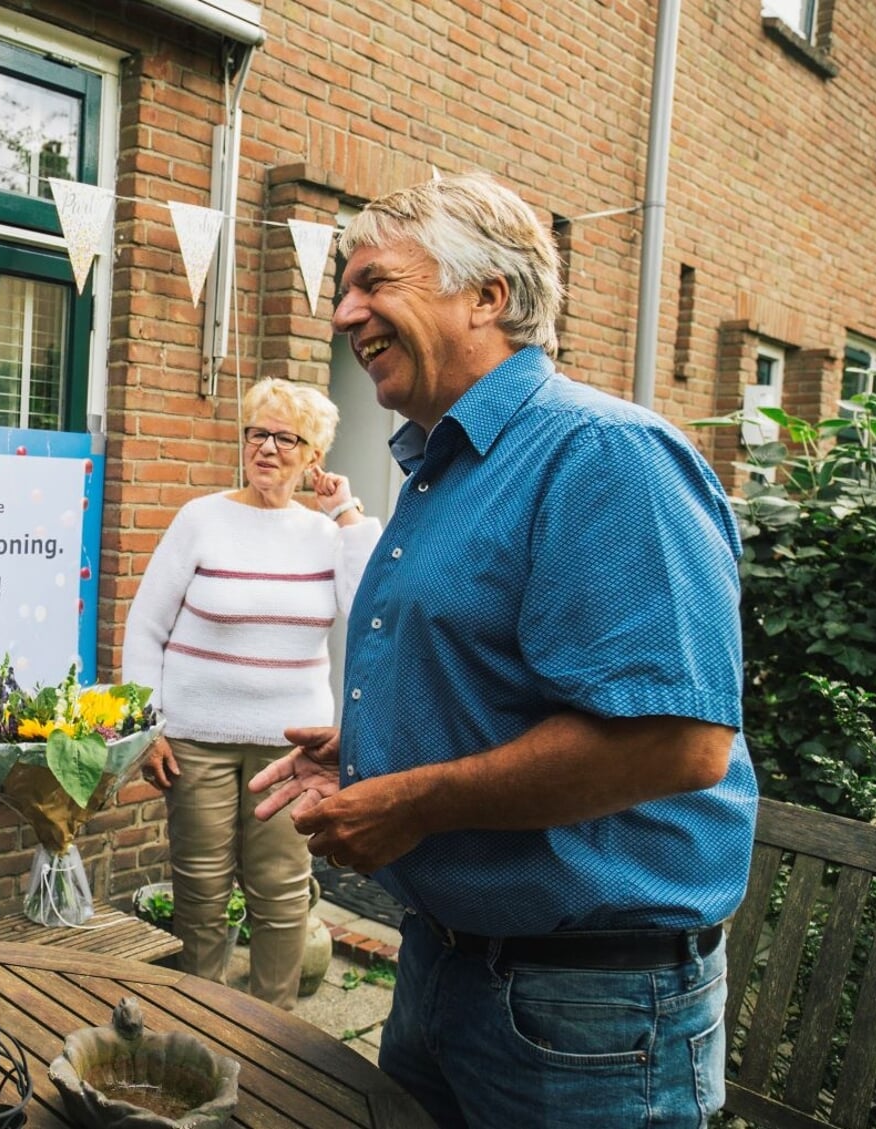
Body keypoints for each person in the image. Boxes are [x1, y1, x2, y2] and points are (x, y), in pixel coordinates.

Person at [249, 173, 755, 1127]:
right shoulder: (442, 466)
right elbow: (501, 675)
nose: (346, 311)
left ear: (488, 296)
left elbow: (677, 742)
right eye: (343, 290)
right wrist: (380, 751)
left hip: (586, 1014)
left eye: (373, 282)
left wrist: (414, 799)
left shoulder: (601, 453)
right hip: (446, 963)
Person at [122, 377, 380, 1008]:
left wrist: (347, 514)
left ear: (313, 454)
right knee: (201, 891)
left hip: (292, 750)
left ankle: (274, 1032)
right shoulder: (201, 519)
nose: (266, 448)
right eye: (256, 434)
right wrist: (147, 726)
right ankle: (201, 1027)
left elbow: (371, 606)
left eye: (285, 437)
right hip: (195, 741)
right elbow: (146, 625)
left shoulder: (327, 535)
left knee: (281, 891)